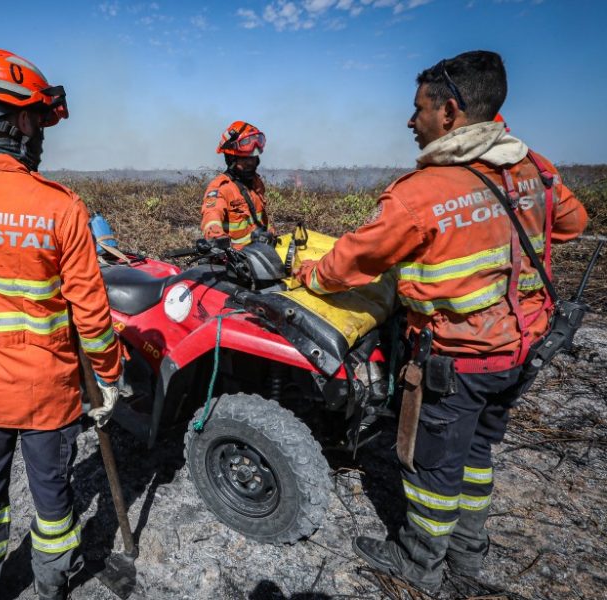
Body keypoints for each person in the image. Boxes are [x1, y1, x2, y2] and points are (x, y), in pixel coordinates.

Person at [294, 51, 587, 591]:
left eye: (418, 109)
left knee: (431, 468)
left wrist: (310, 276)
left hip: (457, 359)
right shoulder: (534, 169)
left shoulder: (422, 194)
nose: (411, 121)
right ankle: (468, 555)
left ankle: (420, 563)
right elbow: (571, 222)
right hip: (519, 350)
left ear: (449, 111)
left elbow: (349, 263)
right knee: (476, 454)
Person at [0, 48, 124, 600]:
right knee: (55, 505)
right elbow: (91, 311)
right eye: (38, 119)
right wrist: (108, 377)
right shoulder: (61, 208)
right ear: (16, 120)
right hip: (47, 398)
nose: (40, 134)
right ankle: (52, 584)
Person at [200, 121, 276, 249]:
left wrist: (271, 234)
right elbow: (211, 215)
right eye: (245, 159)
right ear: (232, 159)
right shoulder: (221, 188)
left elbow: (261, 219)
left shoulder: (256, 183)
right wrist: (216, 237)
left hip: (261, 254)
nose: (251, 162)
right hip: (235, 261)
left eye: (253, 157)